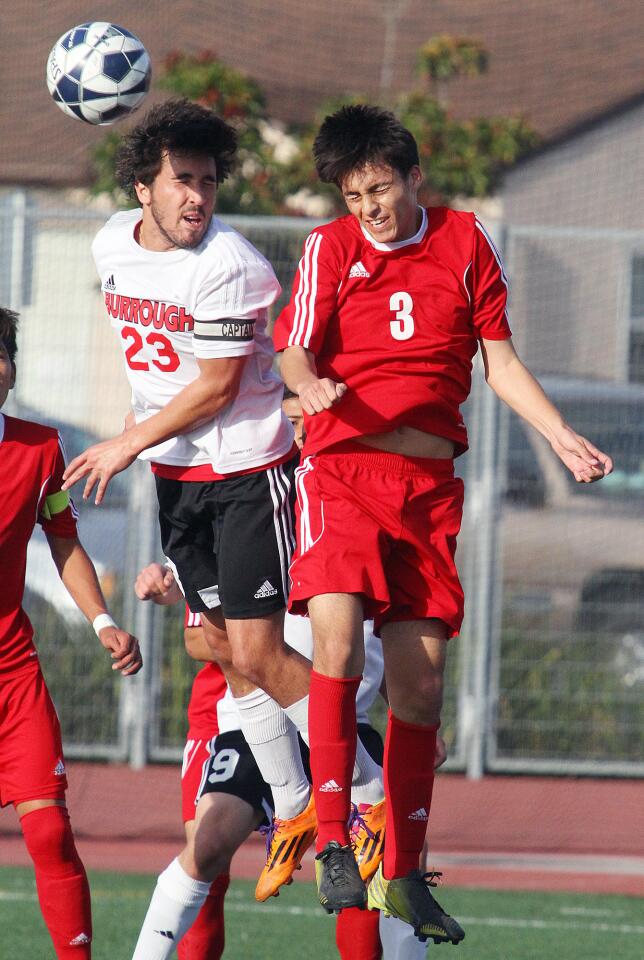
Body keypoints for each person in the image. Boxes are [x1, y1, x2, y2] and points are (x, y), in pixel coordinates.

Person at [274, 104, 613, 942]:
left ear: (414, 176)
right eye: (354, 196)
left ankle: (405, 874)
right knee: (340, 644)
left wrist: (560, 433)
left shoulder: (465, 243)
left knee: (421, 683)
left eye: (380, 189)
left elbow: (496, 359)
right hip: (342, 475)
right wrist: (308, 382)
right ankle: (332, 844)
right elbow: (291, 348)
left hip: (427, 488)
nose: (369, 208)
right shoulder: (330, 250)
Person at [58, 97, 325, 898]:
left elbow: (213, 391)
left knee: (259, 654)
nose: (196, 197)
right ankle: (297, 804)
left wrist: (126, 439)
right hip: (178, 484)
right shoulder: (112, 242)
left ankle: (363, 788)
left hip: (244, 473)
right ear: (143, 186)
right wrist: (144, 443)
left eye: (208, 182)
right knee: (220, 654)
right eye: (181, 180)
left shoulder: (231, 263)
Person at [131, 561, 442, 959]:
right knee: (208, 842)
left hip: (348, 720)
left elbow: (379, 646)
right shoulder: (259, 508)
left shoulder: (371, 526)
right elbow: (199, 637)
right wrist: (263, 645)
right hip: (258, 719)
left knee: (399, 850)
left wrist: (413, 718)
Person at [0, 306, 142, 960]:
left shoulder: (39, 449)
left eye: (1, 355)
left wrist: (104, 622)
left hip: (12, 673)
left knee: (51, 830)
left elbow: (63, 543)